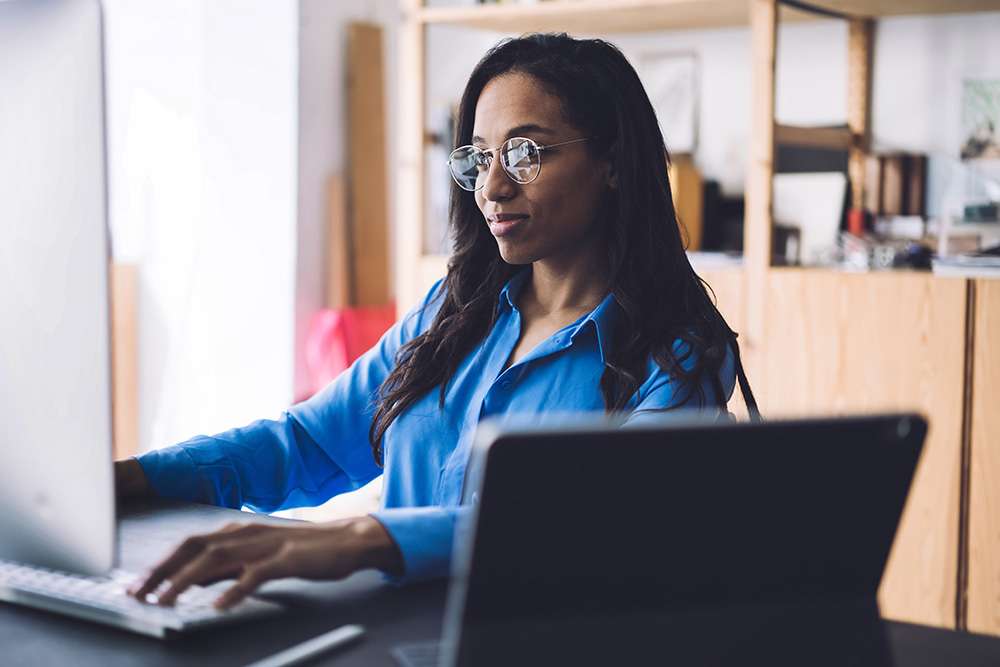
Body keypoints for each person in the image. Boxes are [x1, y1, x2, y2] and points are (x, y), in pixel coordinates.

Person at [116, 32, 758, 610]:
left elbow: (591, 522)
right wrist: (136, 478)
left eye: (526, 153)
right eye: (479, 158)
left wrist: (366, 538)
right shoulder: (453, 312)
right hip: (390, 641)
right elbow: (309, 443)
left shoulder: (677, 360)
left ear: (614, 163)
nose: (493, 188)